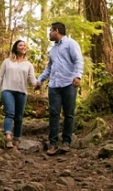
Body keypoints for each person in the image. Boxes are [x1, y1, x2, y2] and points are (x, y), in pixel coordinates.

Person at [35, 22, 84, 155]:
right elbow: (49, 68)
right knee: (53, 114)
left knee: (69, 114)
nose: (49, 33)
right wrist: (40, 79)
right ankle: (53, 144)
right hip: (54, 86)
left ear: (56, 31)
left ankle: (67, 142)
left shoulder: (71, 44)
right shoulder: (53, 50)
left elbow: (78, 60)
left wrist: (78, 76)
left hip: (69, 84)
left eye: (50, 31)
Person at [0, 39, 38, 150]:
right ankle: (8, 137)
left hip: (22, 92)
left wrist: (37, 84)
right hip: (7, 90)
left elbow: (32, 80)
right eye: (20, 45)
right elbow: (0, 76)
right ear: (16, 48)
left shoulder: (28, 65)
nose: (23, 47)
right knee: (10, 113)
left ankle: (17, 139)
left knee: (19, 117)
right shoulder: (7, 62)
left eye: (25, 46)